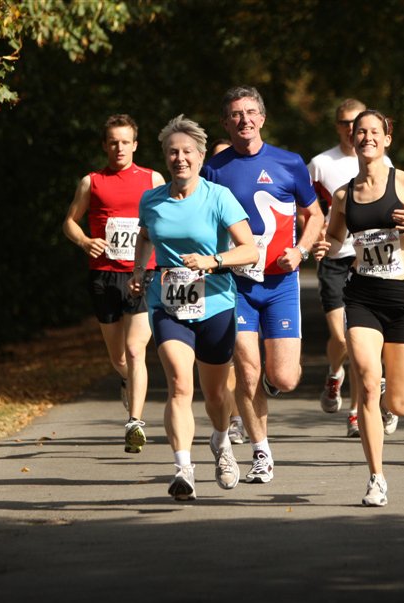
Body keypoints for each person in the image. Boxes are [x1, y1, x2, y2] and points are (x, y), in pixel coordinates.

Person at [128, 114, 258, 501]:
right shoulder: (152, 199)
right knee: (180, 384)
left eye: (186, 152)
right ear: (165, 158)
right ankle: (183, 467)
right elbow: (146, 235)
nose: (179, 159)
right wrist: (139, 269)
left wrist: (214, 261)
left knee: (216, 395)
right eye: (172, 153)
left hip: (216, 301)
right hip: (168, 302)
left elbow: (249, 249)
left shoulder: (218, 197)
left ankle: (221, 442)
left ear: (201, 157)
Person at [201, 85, 326, 483]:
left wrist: (302, 251)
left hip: (281, 283)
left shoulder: (289, 163)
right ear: (226, 122)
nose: (244, 120)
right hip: (236, 284)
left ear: (263, 118)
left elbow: (315, 215)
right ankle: (261, 452)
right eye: (236, 114)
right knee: (248, 370)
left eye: (251, 112)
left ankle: (263, 397)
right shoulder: (214, 169)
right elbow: (202, 220)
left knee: (284, 378)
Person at [324, 109, 404, 506]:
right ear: (353, 139)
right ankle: (376, 478)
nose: (367, 137)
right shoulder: (344, 195)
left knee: (399, 403)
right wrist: (322, 247)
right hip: (361, 297)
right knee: (363, 377)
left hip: (402, 302)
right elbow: (334, 235)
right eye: (360, 132)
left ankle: (383, 390)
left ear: (387, 139)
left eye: (374, 131)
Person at [62, 114, 165, 454]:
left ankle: (135, 423)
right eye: (113, 142)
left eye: (125, 142)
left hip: (143, 273)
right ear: (105, 145)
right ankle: (125, 380)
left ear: (135, 145)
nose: (119, 147)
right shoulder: (91, 182)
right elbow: (69, 223)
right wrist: (84, 242)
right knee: (119, 356)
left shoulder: (153, 179)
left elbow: (169, 220)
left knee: (137, 350)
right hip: (104, 274)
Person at [307, 98, 398, 438]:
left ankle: (357, 413)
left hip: (369, 261)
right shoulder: (319, 164)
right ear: (338, 127)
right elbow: (308, 210)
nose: (352, 130)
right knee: (341, 338)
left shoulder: (384, 161)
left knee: (362, 342)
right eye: (346, 123)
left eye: (357, 124)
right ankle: (334, 374)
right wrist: (310, 241)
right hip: (334, 255)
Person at [209, 138, 247, 446]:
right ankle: (235, 420)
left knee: (250, 357)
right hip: (217, 280)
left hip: (252, 275)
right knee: (232, 355)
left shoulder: (242, 189)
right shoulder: (204, 191)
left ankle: (267, 380)